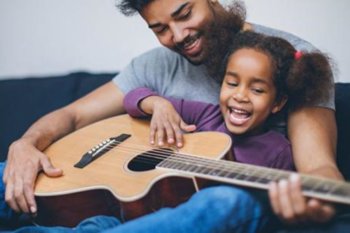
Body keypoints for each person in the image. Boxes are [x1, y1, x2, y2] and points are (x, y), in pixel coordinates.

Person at [1, 0, 341, 228]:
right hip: (121, 199)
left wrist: (318, 207)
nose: (178, 37)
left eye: (183, 14)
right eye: (160, 28)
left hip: (206, 209)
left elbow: (318, 168)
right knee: (7, 171)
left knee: (226, 201)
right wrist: (26, 143)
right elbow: (73, 116)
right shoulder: (157, 65)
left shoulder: (295, 62)